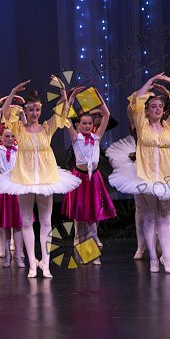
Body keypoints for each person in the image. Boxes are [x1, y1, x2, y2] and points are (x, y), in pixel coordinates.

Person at [107, 74, 170, 274]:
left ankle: (166, 259)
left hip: (168, 178)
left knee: (165, 217)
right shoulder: (141, 124)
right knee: (149, 218)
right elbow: (136, 102)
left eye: (160, 106)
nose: (158, 109)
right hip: (147, 177)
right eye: (153, 106)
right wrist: (149, 82)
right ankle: (152, 258)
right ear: (147, 110)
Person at [0, 79, 81, 278]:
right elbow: (5, 113)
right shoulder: (19, 129)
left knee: (46, 222)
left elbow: (62, 112)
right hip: (25, 179)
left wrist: (62, 90)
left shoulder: (47, 128)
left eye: (37, 109)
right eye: (30, 110)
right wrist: (13, 91)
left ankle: (45, 263)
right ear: (26, 110)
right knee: (26, 222)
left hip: (46, 178)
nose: (34, 113)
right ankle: (32, 263)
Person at [61, 90, 116, 264]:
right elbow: (65, 117)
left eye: (89, 123)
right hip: (80, 179)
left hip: (94, 180)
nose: (86, 126)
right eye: (83, 123)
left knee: (93, 218)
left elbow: (106, 115)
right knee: (81, 219)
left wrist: (99, 98)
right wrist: (70, 99)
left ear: (93, 125)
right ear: (78, 125)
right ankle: (83, 250)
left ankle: (91, 254)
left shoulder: (96, 137)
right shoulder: (75, 138)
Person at [0, 103, 23, 268]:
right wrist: (0, 113)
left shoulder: (18, 149)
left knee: (18, 224)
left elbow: (23, 131)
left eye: (12, 136)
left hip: (16, 186)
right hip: (3, 188)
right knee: (6, 224)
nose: (9, 139)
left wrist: (21, 116)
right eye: (6, 136)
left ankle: (19, 255)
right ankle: (8, 255)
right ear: (2, 138)